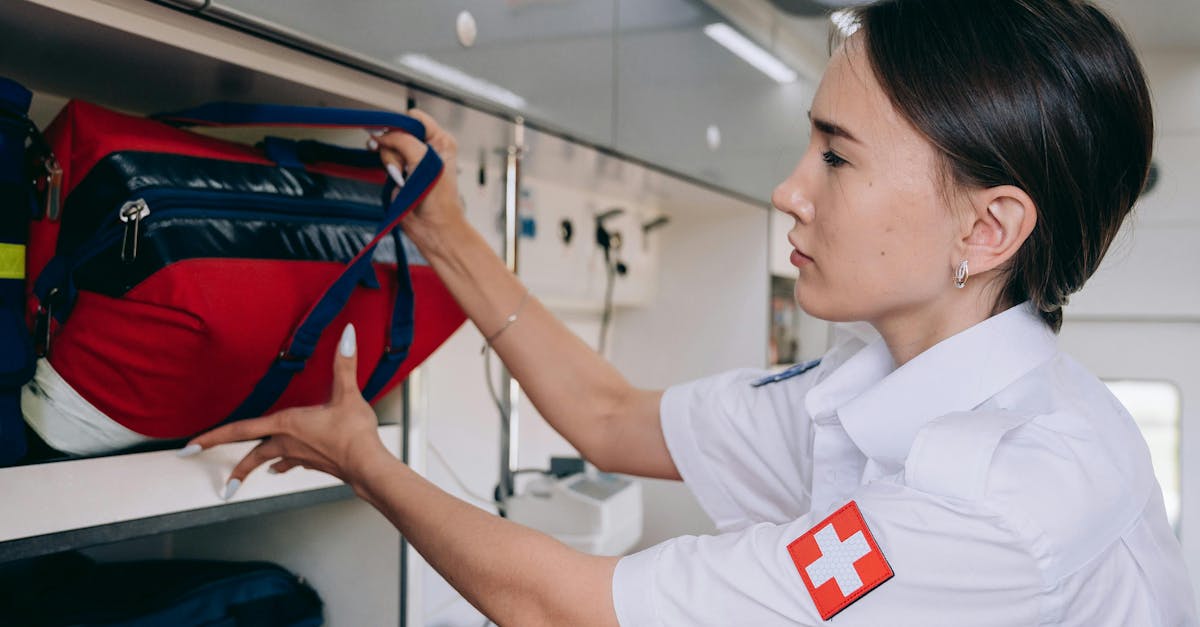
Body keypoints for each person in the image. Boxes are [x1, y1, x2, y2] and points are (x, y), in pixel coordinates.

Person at [181, 0, 1198, 624]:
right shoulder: (869, 390)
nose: (789, 192)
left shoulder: (1001, 500)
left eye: (836, 157)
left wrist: (365, 459)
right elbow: (610, 418)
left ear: (988, 231)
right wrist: (445, 230)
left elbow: (560, 610)